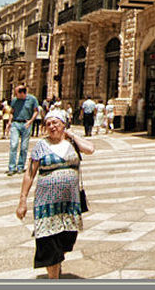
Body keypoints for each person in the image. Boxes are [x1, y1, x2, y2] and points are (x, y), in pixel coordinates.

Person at [16, 110, 95, 279]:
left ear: (63, 125)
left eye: (55, 123)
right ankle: (54, 278)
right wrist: (22, 200)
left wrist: (71, 135)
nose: (51, 127)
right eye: (48, 124)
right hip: (46, 206)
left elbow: (90, 149)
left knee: (65, 241)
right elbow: (30, 173)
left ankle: (56, 264)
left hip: (69, 204)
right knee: (49, 243)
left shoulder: (72, 143)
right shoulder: (41, 146)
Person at [7, 85, 39, 176]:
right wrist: (9, 122)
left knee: (24, 147)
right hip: (16, 123)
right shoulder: (14, 100)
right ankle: (11, 167)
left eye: (16, 93)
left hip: (26, 123)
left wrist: (31, 121)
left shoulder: (32, 99)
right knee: (13, 144)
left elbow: (36, 111)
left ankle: (20, 166)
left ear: (22, 93)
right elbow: (12, 112)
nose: (15, 94)